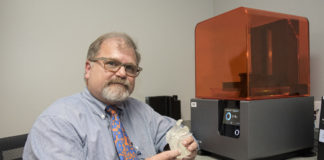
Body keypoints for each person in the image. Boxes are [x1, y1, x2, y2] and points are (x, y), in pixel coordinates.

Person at [23, 32, 198, 160]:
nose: (122, 73)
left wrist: (185, 144)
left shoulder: (141, 111)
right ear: (88, 69)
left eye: (130, 68)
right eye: (111, 63)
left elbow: (172, 132)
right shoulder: (56, 123)